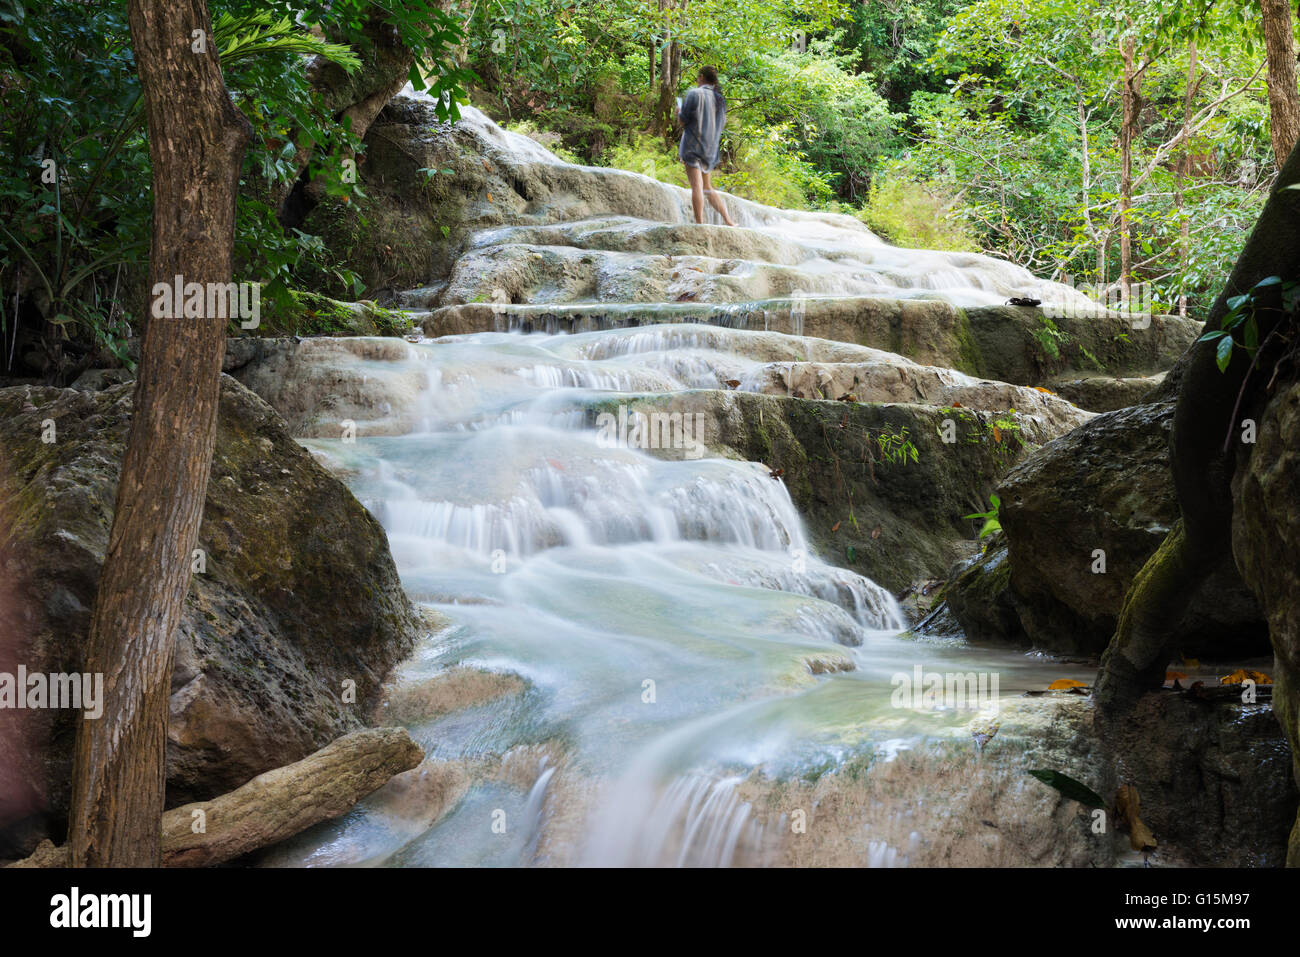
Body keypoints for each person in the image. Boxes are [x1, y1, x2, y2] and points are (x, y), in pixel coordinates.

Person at [677, 66, 737, 226]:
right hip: (709, 150)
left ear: (701, 77)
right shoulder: (720, 99)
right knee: (707, 187)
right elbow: (722, 124)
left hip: (692, 147)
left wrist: (678, 112)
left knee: (697, 186)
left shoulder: (694, 94)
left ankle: (699, 223)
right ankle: (729, 220)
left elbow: (683, 120)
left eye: (698, 78)